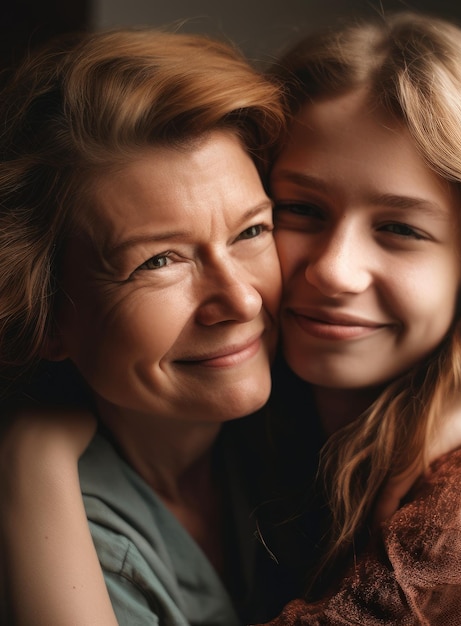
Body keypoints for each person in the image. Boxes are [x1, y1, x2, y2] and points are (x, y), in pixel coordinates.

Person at [2, 14, 461, 626]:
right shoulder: (269, 429)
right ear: (47, 312)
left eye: (400, 228)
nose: (331, 271)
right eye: (299, 209)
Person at [0, 28, 285, 625]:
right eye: (158, 261)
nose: (240, 300)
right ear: (47, 314)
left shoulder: (310, 423)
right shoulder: (74, 546)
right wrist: (34, 463)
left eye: (251, 231)